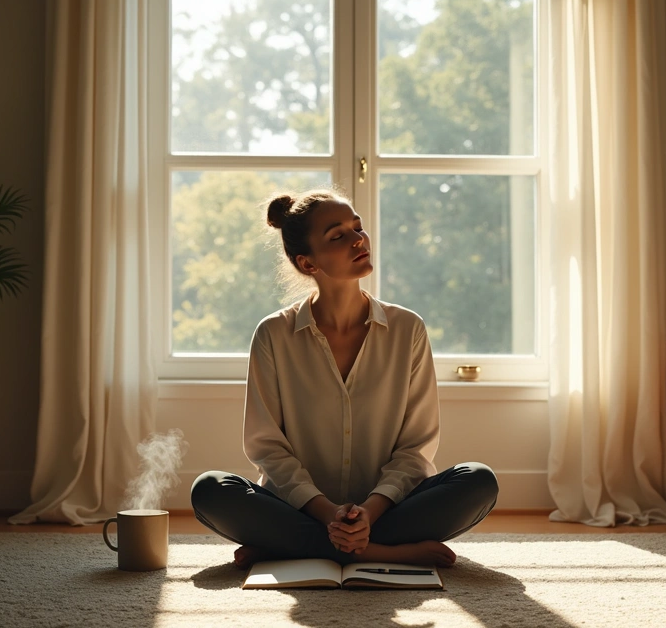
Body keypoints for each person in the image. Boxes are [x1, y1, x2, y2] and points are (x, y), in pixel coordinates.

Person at [190, 188, 499, 569]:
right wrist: (327, 514)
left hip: (388, 511)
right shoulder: (273, 334)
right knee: (210, 490)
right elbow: (267, 448)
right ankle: (381, 552)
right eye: (338, 236)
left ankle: (291, 547)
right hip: (302, 511)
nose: (358, 240)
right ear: (307, 263)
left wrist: (369, 511)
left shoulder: (407, 329)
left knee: (478, 481)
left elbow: (415, 448)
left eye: (358, 227)